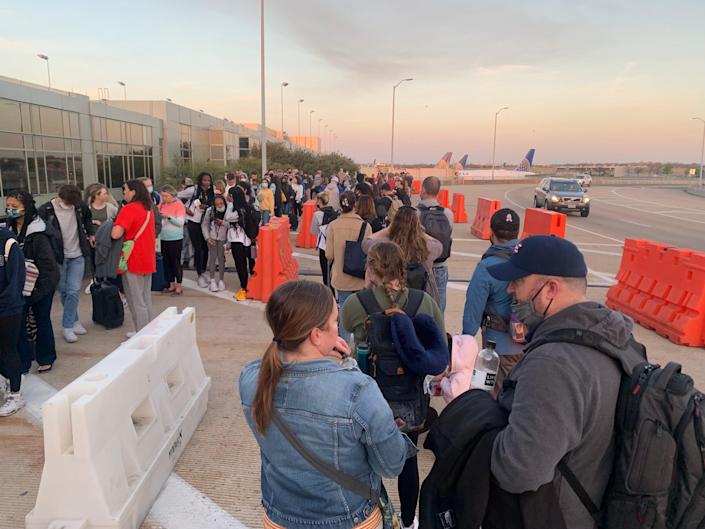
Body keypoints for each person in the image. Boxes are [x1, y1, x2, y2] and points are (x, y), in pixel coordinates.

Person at [486, 235, 645, 529]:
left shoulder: (553, 363)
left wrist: (477, 422)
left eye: (518, 282)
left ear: (550, 290)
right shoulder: (617, 338)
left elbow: (518, 470)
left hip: (557, 516)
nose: (510, 290)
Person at [240, 280, 414, 529]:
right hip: (348, 518)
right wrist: (347, 365)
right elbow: (391, 464)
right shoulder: (357, 391)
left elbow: (272, 359)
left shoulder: (250, 380)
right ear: (316, 334)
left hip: (279, 517)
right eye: (335, 321)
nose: (338, 329)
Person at [340, 241, 445, 529]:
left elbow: (347, 329)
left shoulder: (356, 304)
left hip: (366, 396)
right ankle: (409, 520)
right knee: (408, 461)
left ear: (371, 268)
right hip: (409, 399)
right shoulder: (423, 301)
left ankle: (368, 517)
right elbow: (438, 342)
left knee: (361, 460)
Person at [462, 208, 524, 394]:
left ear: (491, 232)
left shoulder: (486, 267)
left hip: (495, 350)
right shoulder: (529, 260)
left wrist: (464, 347)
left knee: (490, 400)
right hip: (528, 347)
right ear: (517, 232)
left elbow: (472, 316)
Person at [6, 192, 60, 374]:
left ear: (25, 207)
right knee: (19, 323)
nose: (10, 209)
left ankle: (46, 357)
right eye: (8, 205)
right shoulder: (9, 229)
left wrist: (37, 291)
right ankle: (24, 359)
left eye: (15, 206)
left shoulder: (38, 233)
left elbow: (49, 268)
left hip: (40, 286)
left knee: (41, 319)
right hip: (18, 286)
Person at [38, 184, 95, 343]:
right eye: (67, 202)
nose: (70, 205)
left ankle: (67, 325)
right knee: (63, 291)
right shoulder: (46, 210)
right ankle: (74, 319)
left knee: (73, 290)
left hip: (77, 254)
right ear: (59, 196)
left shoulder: (79, 206)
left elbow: (87, 219)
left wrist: (91, 233)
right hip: (58, 257)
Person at [364, 206, 442, 306]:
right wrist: (420, 232)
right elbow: (439, 245)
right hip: (419, 297)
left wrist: (387, 230)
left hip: (390, 295)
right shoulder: (426, 247)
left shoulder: (385, 246)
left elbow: (366, 243)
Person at [111, 180, 156, 336]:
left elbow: (116, 233)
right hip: (147, 257)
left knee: (135, 300)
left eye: (125, 190)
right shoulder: (148, 208)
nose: (124, 193)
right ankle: (148, 331)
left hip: (132, 259)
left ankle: (142, 335)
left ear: (133, 192)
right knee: (145, 298)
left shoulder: (128, 209)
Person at [324, 191, 371, 316]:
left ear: (341, 205)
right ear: (355, 204)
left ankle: (344, 336)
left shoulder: (333, 225)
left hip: (341, 277)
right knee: (360, 315)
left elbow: (329, 254)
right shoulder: (365, 226)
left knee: (345, 315)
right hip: (360, 278)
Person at [417, 176, 453, 313]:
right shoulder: (448, 214)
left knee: (420, 310)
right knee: (439, 310)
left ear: (423, 189)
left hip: (421, 267)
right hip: (441, 266)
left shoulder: (416, 213)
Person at [0, 226, 25, 416]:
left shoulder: (8, 244)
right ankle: (6, 380)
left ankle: (16, 396)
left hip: (8, 309)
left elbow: (16, 282)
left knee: (8, 350)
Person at [185, 172, 214, 287]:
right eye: (204, 180)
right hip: (193, 222)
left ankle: (203, 271)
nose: (207, 182)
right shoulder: (194, 189)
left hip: (204, 223)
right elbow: (176, 195)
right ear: (200, 180)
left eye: (208, 180)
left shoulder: (211, 192)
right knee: (198, 248)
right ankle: (199, 275)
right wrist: (185, 208)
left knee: (205, 248)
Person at [225, 185, 253, 301]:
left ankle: (244, 287)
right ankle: (251, 285)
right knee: (251, 262)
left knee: (240, 265)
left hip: (238, 240)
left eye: (229, 195)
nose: (227, 197)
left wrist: (231, 203)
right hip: (249, 240)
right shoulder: (247, 206)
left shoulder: (236, 209)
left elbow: (227, 217)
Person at [158, 185, 186, 296]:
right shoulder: (161, 205)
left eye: (166, 196)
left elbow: (180, 222)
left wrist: (168, 216)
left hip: (175, 237)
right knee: (166, 262)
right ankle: (171, 284)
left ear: (172, 195)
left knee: (176, 262)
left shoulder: (178, 205)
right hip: (164, 236)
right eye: (163, 196)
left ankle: (179, 285)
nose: (164, 198)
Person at [201, 194, 228, 292]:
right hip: (212, 238)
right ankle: (212, 280)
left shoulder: (228, 211)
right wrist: (207, 237)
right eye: (217, 204)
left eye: (221, 203)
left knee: (221, 258)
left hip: (223, 238)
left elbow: (231, 225)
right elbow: (204, 225)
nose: (220, 206)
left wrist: (223, 223)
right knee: (212, 258)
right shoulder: (210, 211)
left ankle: (221, 280)